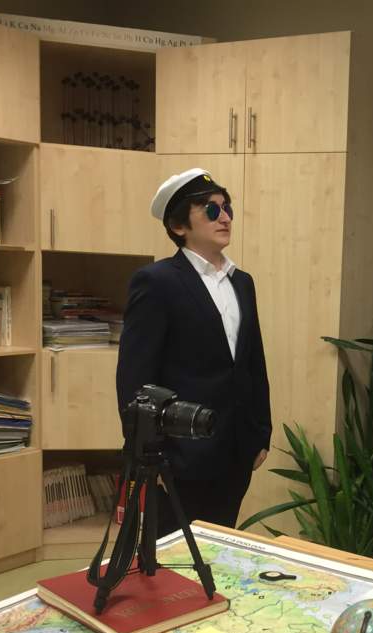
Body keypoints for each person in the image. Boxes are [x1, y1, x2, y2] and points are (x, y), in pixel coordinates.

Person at [116, 168, 271, 534]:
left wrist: (260, 433)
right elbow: (136, 378)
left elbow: (253, 362)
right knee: (174, 556)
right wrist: (148, 456)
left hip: (236, 451)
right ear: (179, 225)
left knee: (218, 547)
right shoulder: (157, 282)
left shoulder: (242, 282)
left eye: (227, 208)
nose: (225, 217)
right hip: (179, 457)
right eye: (212, 210)